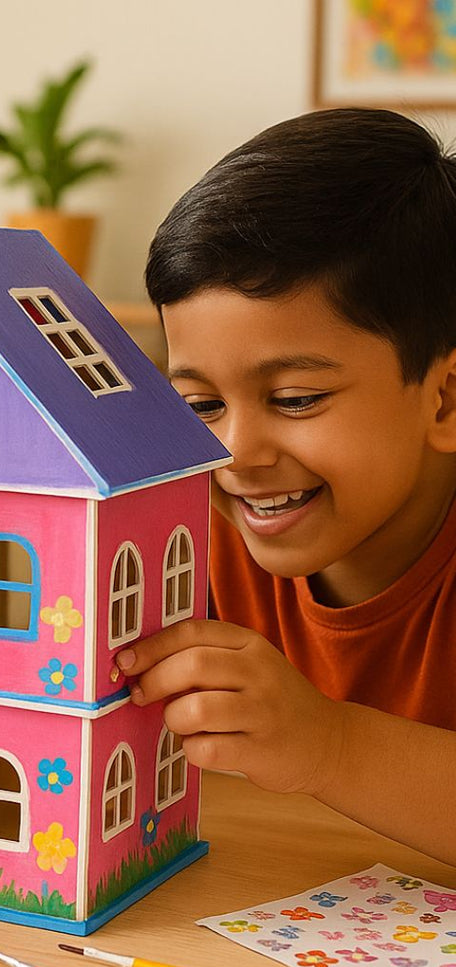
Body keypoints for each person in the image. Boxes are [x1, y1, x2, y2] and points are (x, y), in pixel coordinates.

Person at [127, 107, 456, 864]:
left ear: (444, 398)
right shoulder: (189, 538)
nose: (236, 454)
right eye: (200, 406)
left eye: (297, 399)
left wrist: (328, 744)